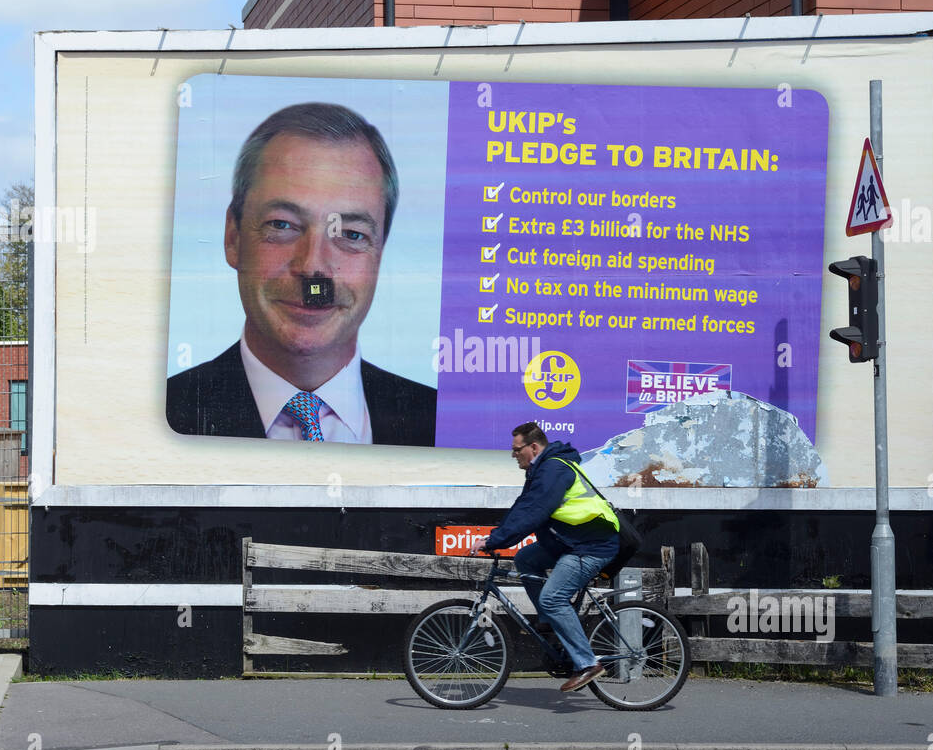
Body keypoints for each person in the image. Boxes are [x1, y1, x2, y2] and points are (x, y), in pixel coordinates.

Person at [166, 102, 436, 446]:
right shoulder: (165, 417)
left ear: (379, 254)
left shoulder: (441, 425)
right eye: (282, 225)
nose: (313, 268)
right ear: (232, 238)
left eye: (351, 234)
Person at [478, 421, 620, 693]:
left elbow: (535, 514)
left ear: (533, 447)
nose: (513, 456)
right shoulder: (540, 470)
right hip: (569, 542)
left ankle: (588, 663)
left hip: (590, 544)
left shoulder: (554, 469)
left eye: (516, 450)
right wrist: (495, 536)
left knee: (553, 597)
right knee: (525, 559)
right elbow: (522, 508)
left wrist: (495, 541)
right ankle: (549, 620)